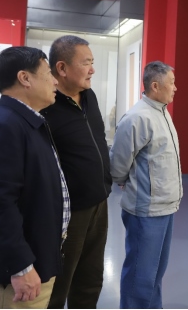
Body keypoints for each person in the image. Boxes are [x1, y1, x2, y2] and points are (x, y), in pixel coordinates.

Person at [0, 47, 69, 309]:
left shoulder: (26, 122)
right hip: (12, 277)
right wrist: (21, 265)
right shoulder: (4, 126)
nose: (55, 81)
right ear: (25, 78)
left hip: (32, 262)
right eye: (48, 73)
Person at [41, 35, 112, 309]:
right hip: (68, 212)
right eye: (86, 63)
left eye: (92, 62)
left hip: (99, 203)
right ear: (62, 68)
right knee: (59, 283)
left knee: (91, 278)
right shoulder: (46, 105)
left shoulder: (89, 96)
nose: (92, 69)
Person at [110, 61, 182, 309]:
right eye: (171, 83)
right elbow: (118, 163)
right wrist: (124, 181)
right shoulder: (137, 117)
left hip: (165, 207)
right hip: (146, 210)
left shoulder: (162, 112)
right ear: (155, 86)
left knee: (155, 273)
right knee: (140, 277)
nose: (175, 88)